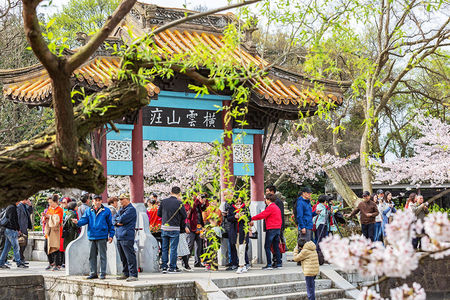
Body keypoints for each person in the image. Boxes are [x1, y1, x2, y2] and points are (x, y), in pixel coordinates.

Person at [73, 194, 115, 280]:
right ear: (93, 201)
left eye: (99, 200)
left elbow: (110, 224)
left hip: (102, 236)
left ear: (101, 201)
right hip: (92, 236)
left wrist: (111, 235)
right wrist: (78, 222)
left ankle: (102, 273)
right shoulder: (89, 211)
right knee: (92, 256)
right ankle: (93, 273)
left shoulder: (106, 211)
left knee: (103, 255)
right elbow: (84, 220)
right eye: (96, 200)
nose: (97, 202)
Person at [158, 186, 187, 273]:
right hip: (175, 228)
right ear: (179, 194)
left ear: (170, 192)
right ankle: (172, 267)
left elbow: (159, 214)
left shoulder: (163, 202)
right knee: (173, 248)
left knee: (164, 247)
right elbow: (184, 216)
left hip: (164, 227)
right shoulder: (179, 203)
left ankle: (164, 266)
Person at [251, 193, 282, 271]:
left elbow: (263, 215)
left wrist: (252, 218)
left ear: (268, 200)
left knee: (267, 246)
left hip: (271, 228)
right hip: (277, 228)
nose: (265, 201)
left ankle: (269, 264)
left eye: (266, 199)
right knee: (276, 246)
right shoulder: (276, 207)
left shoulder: (270, 207)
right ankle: (278, 263)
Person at [114, 193, 138, 281]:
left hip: (127, 235)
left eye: (122, 199)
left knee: (129, 256)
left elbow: (121, 219)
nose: (120, 201)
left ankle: (133, 274)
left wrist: (118, 221)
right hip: (119, 235)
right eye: (119, 200)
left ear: (127, 199)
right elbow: (114, 219)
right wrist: (117, 222)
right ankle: (126, 273)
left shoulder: (131, 209)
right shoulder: (121, 209)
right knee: (123, 257)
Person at [0, 201, 28, 269]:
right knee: (16, 247)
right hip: (11, 230)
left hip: (10, 230)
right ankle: (19, 262)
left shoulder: (12, 207)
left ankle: (1, 263)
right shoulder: (12, 208)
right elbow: (12, 220)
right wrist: (16, 229)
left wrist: (17, 229)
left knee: (7, 248)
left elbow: (14, 220)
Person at [227, 197, 251, 274]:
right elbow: (228, 218)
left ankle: (240, 266)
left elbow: (249, 218)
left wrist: (243, 217)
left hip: (243, 232)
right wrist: (235, 217)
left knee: (241, 249)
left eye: (240, 201)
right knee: (238, 249)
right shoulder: (231, 208)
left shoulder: (245, 207)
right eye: (237, 201)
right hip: (234, 232)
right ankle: (243, 266)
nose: (238, 203)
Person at [185, 193, 208, 268]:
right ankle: (185, 262)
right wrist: (197, 200)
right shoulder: (189, 203)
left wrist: (204, 202)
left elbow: (204, 208)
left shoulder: (198, 204)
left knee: (199, 245)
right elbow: (189, 212)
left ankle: (197, 262)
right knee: (190, 245)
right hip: (191, 226)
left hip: (199, 226)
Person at [43, 195, 64, 271]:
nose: (50, 204)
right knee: (46, 247)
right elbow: (48, 217)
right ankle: (51, 262)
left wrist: (49, 216)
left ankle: (57, 264)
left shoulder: (60, 209)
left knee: (55, 248)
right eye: (49, 203)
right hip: (49, 230)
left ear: (55, 202)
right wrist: (45, 216)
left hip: (56, 231)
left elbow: (57, 219)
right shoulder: (49, 209)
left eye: (51, 202)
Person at [202, 196, 223, 271]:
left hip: (216, 230)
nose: (214, 203)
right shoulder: (207, 210)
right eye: (212, 202)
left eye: (215, 202)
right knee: (209, 247)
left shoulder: (219, 211)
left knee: (215, 248)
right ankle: (209, 264)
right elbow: (204, 219)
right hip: (209, 229)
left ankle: (214, 265)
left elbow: (220, 220)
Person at [17, 199, 32, 264]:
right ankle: (20, 258)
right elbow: (18, 218)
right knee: (21, 243)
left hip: (25, 227)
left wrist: (30, 205)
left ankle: (21, 258)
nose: (27, 200)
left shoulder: (25, 206)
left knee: (24, 243)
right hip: (21, 228)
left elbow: (30, 212)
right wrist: (18, 229)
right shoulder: (19, 206)